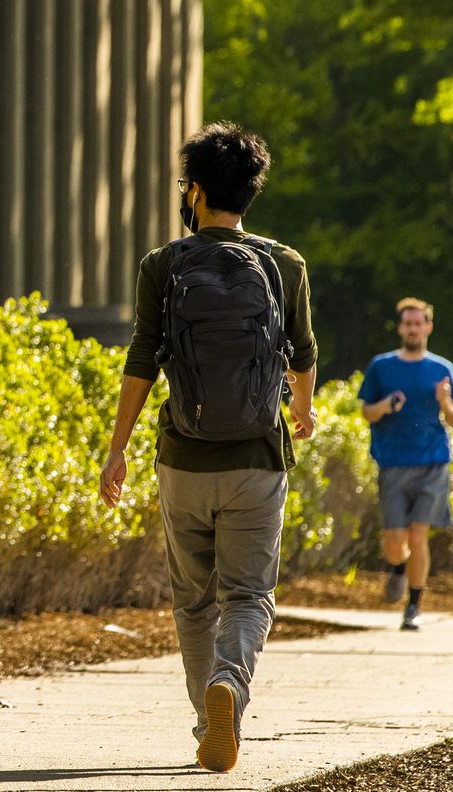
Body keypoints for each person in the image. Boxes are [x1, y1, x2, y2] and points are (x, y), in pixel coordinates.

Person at [100, 122, 317, 774]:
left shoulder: (163, 265)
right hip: (256, 457)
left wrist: (117, 451)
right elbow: (302, 355)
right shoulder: (283, 263)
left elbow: (143, 357)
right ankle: (230, 685)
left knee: (194, 601)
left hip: (183, 459)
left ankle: (206, 721)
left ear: (193, 191)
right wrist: (301, 410)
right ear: (250, 192)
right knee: (248, 596)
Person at [358, 298, 453, 632]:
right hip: (393, 464)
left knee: (418, 536)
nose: (413, 329)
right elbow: (366, 412)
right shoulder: (381, 366)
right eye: (408, 324)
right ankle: (398, 569)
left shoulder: (442, 368)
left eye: (419, 323)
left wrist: (446, 402)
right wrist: (386, 406)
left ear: (428, 327)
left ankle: (414, 606)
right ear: (401, 327)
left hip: (433, 462)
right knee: (394, 542)